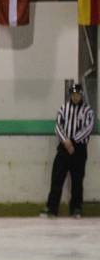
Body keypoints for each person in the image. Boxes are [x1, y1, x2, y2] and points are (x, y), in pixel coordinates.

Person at [41, 83, 94, 219]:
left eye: (78, 94)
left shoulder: (88, 111)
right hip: (64, 148)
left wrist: (73, 141)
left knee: (77, 180)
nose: (75, 97)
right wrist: (66, 141)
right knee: (57, 178)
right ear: (70, 95)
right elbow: (58, 126)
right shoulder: (64, 109)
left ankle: (76, 208)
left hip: (79, 150)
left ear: (81, 95)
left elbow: (88, 128)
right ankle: (52, 208)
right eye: (73, 94)